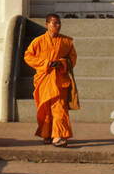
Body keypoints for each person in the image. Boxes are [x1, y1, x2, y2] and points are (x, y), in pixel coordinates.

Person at [23, 13, 78, 146]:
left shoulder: (66, 42)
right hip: (44, 79)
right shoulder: (38, 41)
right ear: (47, 24)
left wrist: (61, 63)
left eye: (59, 23)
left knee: (59, 109)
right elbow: (28, 56)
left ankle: (59, 136)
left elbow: (72, 59)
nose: (57, 26)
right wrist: (46, 63)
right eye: (54, 23)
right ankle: (47, 134)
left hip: (60, 80)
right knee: (45, 109)